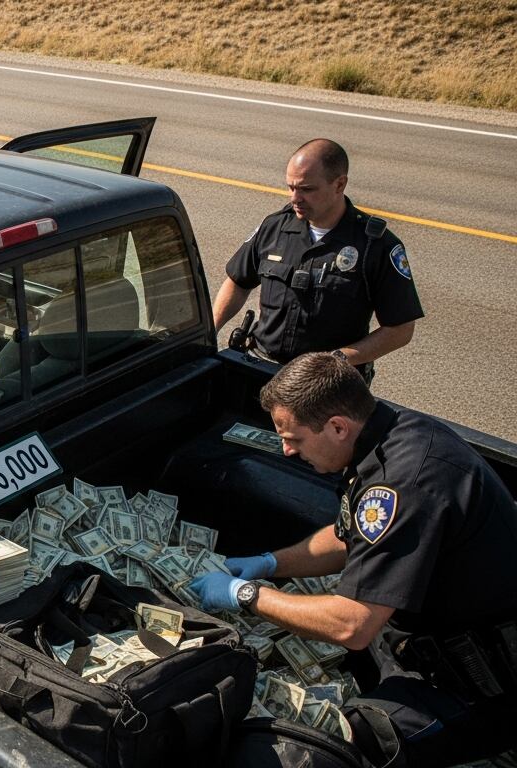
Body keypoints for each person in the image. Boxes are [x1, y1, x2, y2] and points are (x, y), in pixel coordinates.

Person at [189, 353, 517, 767]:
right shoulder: (388, 436)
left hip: (478, 685)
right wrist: (270, 562)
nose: (286, 451)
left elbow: (353, 625)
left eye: (294, 438)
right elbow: (350, 536)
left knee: (327, 750)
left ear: (338, 427)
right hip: (416, 643)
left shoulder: (406, 482)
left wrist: (248, 594)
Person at [211, 139, 422, 380]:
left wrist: (338, 360)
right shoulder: (274, 227)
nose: (295, 197)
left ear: (339, 184)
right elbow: (238, 281)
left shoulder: (376, 245)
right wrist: (210, 331)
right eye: (291, 187)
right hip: (262, 368)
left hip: (327, 385)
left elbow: (401, 329)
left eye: (306, 189)